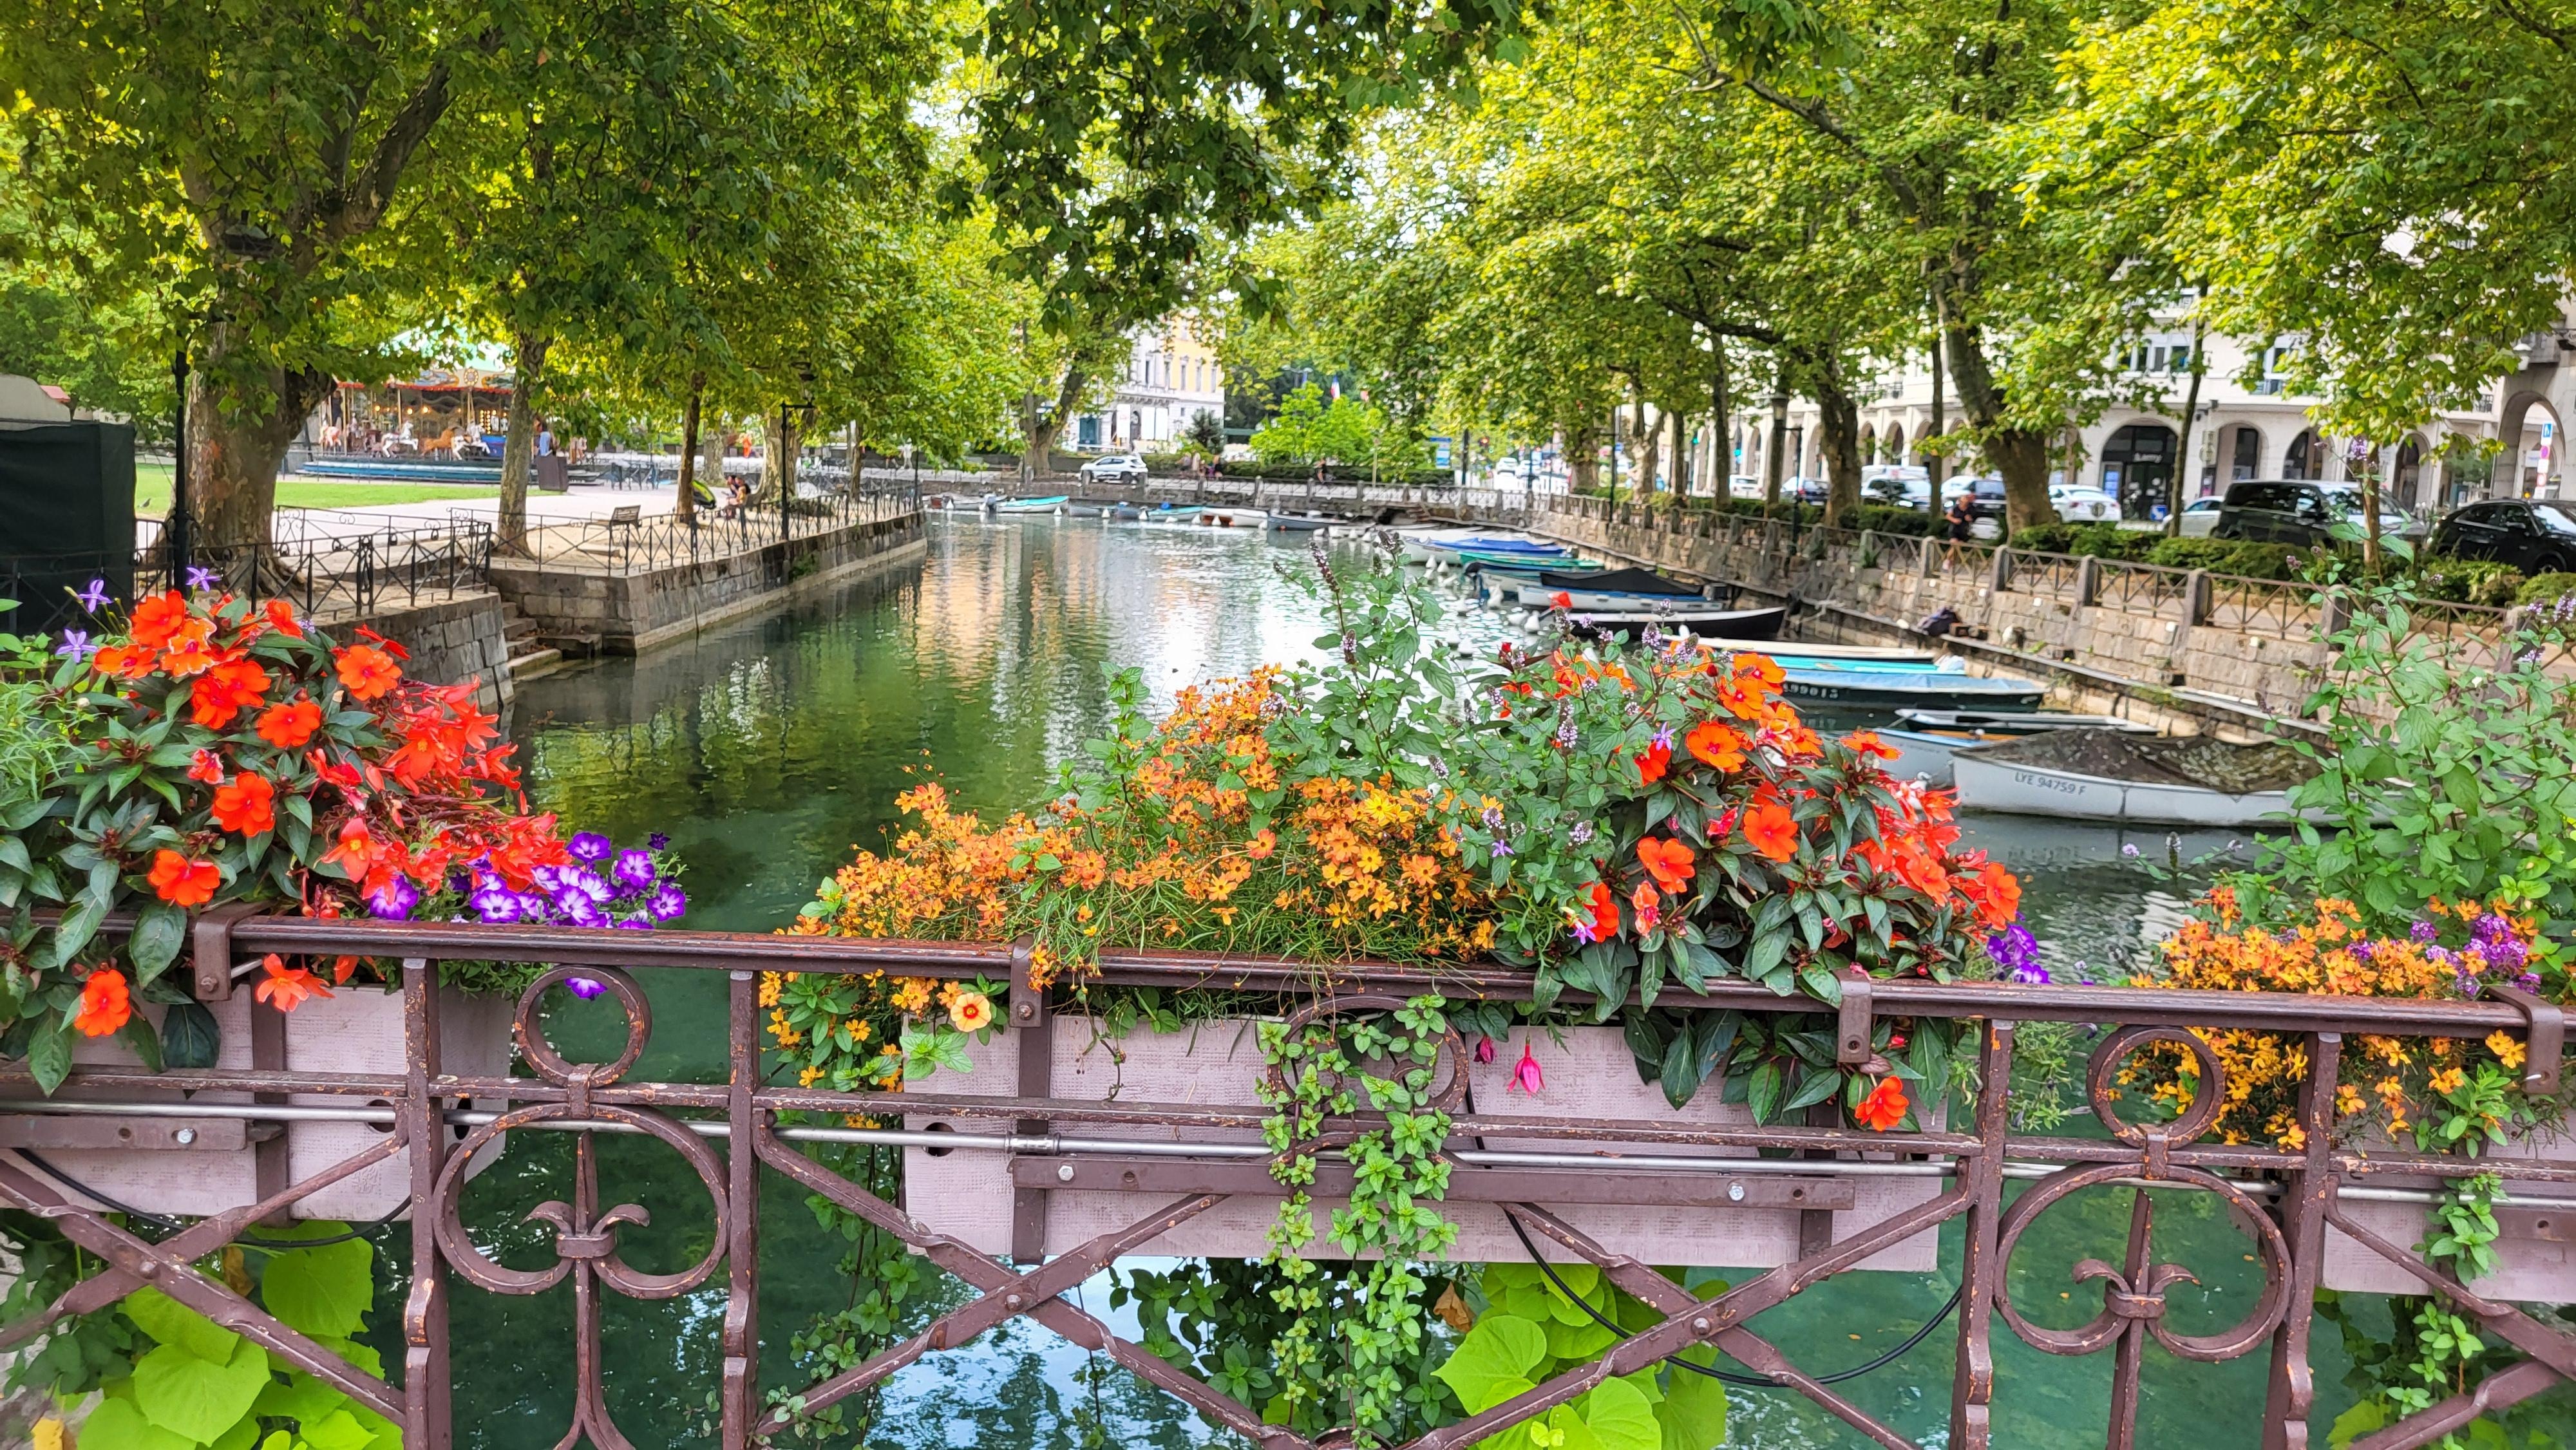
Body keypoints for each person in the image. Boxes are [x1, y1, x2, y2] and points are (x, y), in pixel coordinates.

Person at [1942, 493, 1975, 567]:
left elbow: (1973, 517)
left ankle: (1950, 563)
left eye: (1966, 499)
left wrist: (1969, 518)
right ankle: (1947, 561)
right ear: (1960, 501)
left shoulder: (1970, 508)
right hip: (1955, 530)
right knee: (1955, 545)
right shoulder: (1955, 508)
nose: (1965, 501)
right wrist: (1954, 520)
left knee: (1957, 547)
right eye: (1963, 500)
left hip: (1964, 531)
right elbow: (1948, 516)